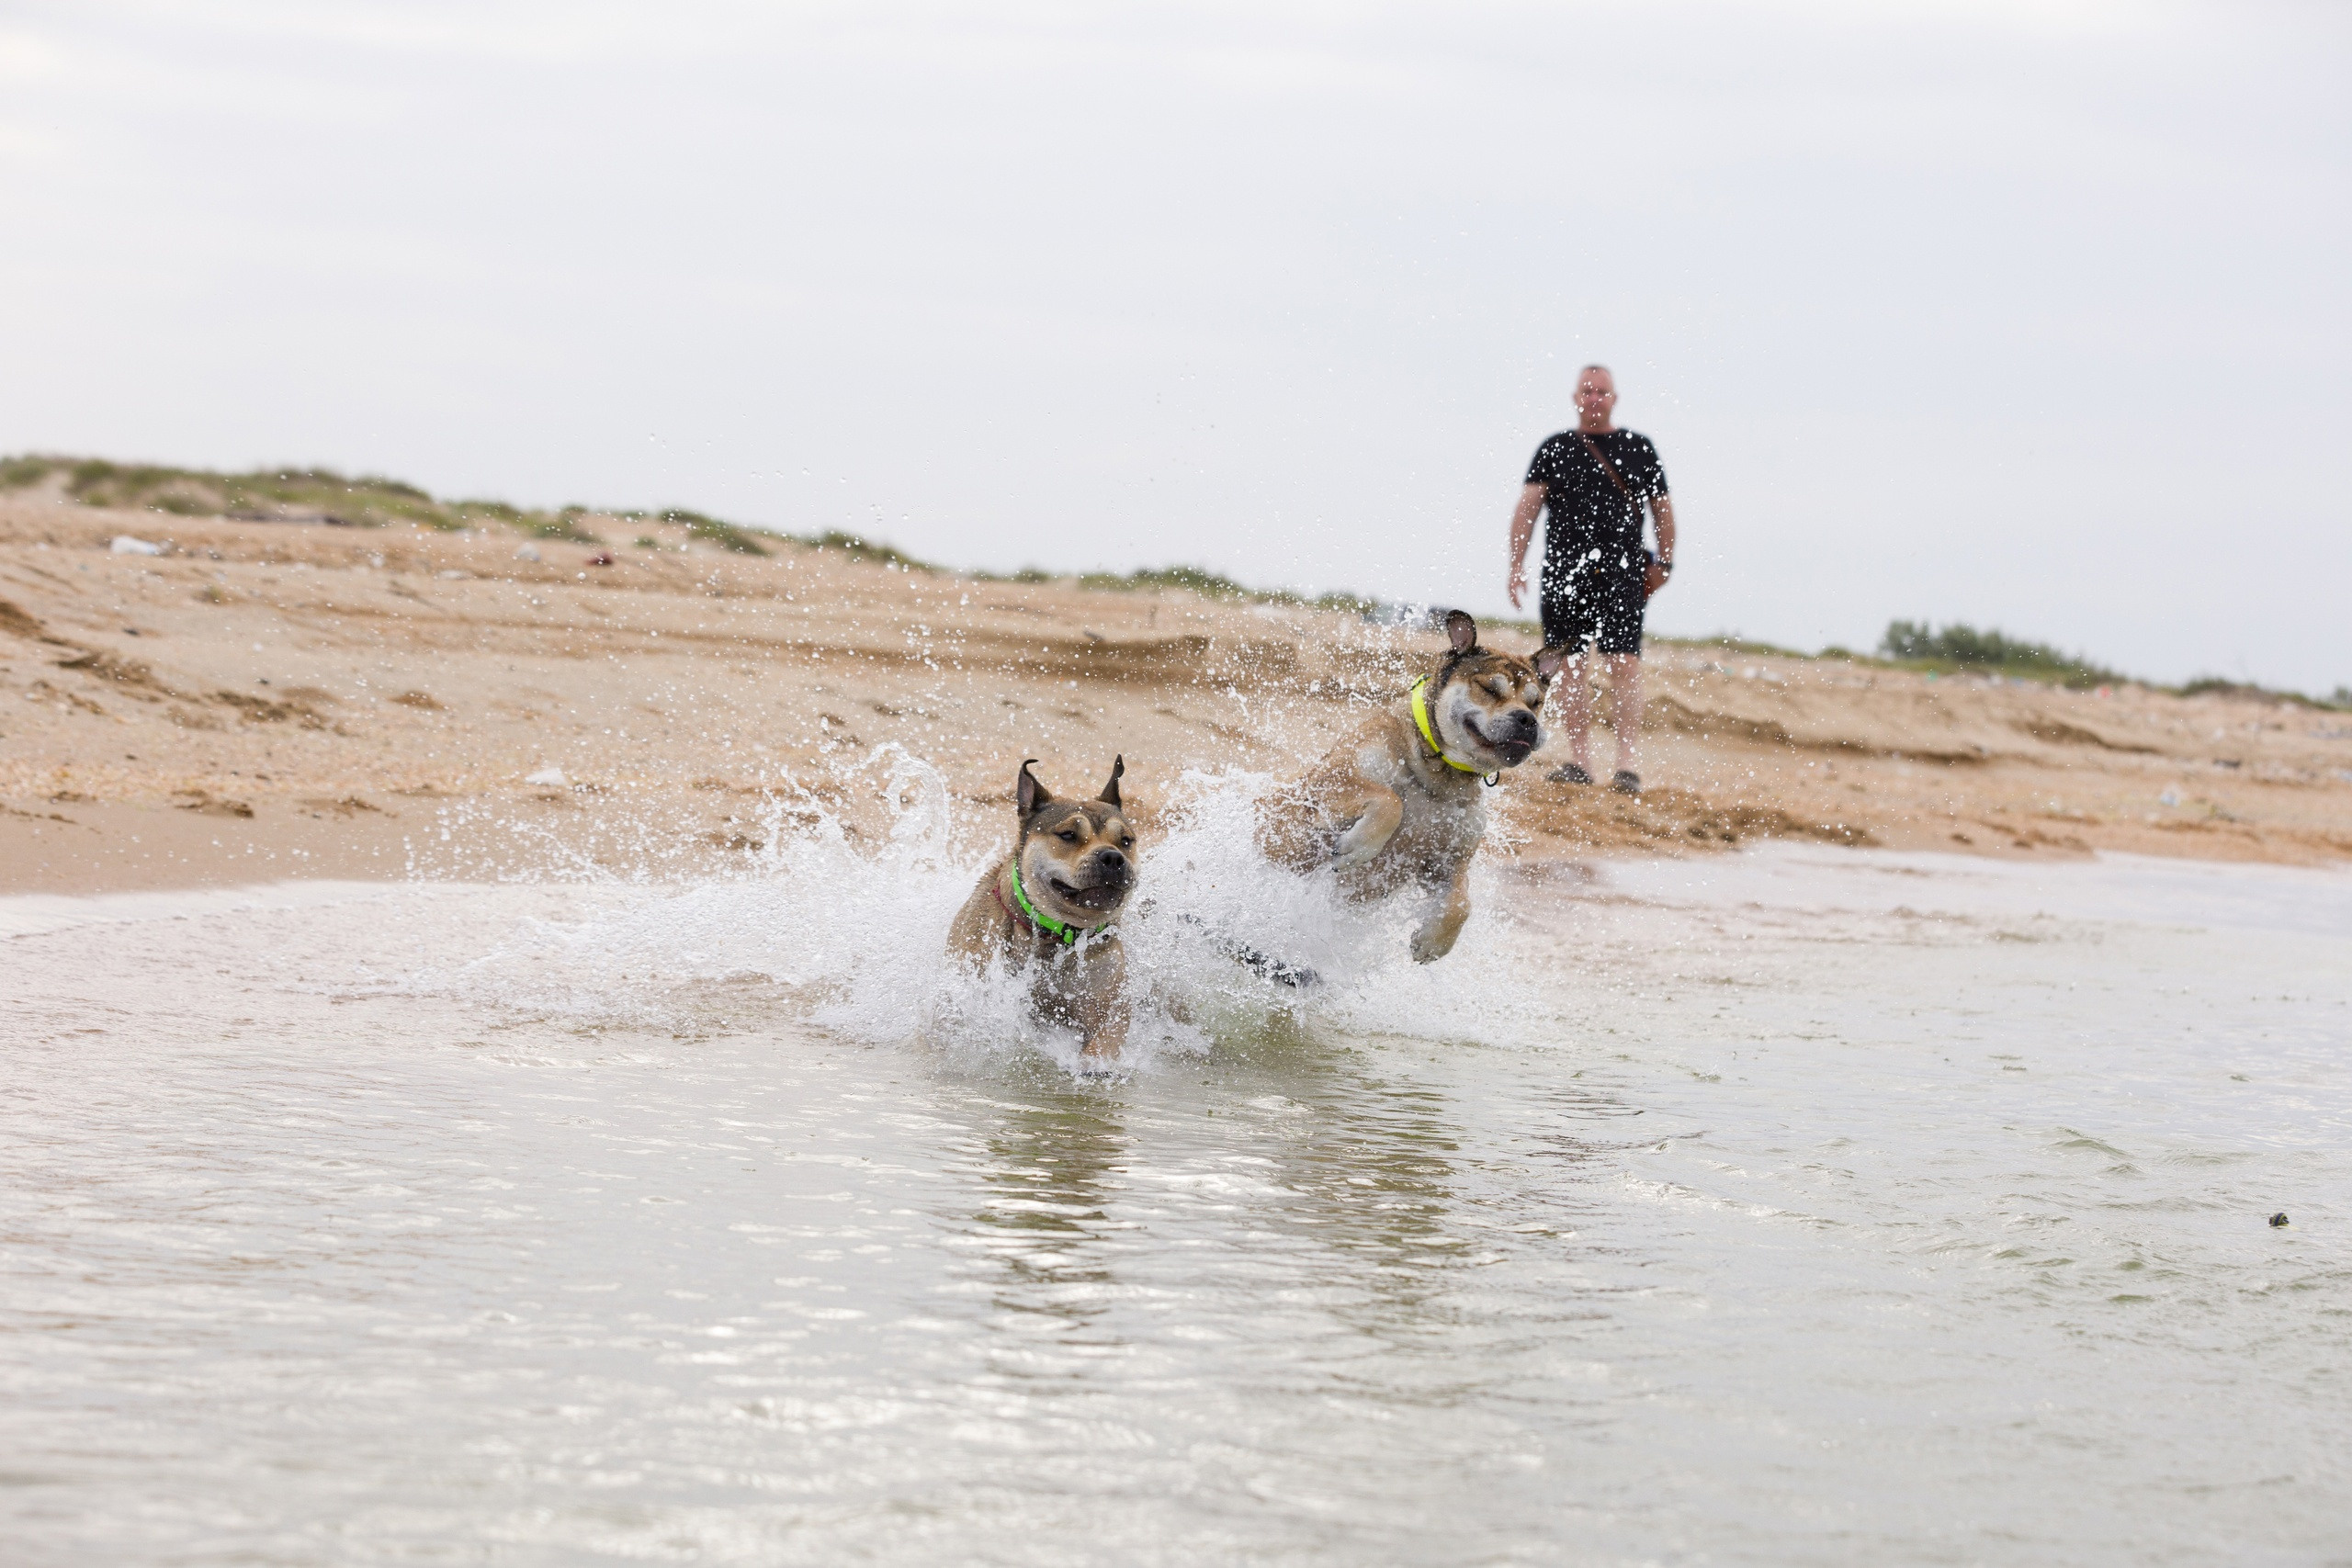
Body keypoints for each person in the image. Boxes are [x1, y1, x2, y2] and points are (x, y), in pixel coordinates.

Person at [1505, 364, 1677, 795]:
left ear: (1614, 398)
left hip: (1623, 574)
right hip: (1565, 574)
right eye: (1587, 391)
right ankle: (1579, 760)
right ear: (1575, 398)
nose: (1594, 398)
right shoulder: (1555, 448)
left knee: (1624, 664)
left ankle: (1627, 765)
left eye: (1602, 392)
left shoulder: (1639, 448)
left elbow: (1663, 511)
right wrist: (1515, 564)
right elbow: (1526, 509)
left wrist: (1666, 564)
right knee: (1571, 668)